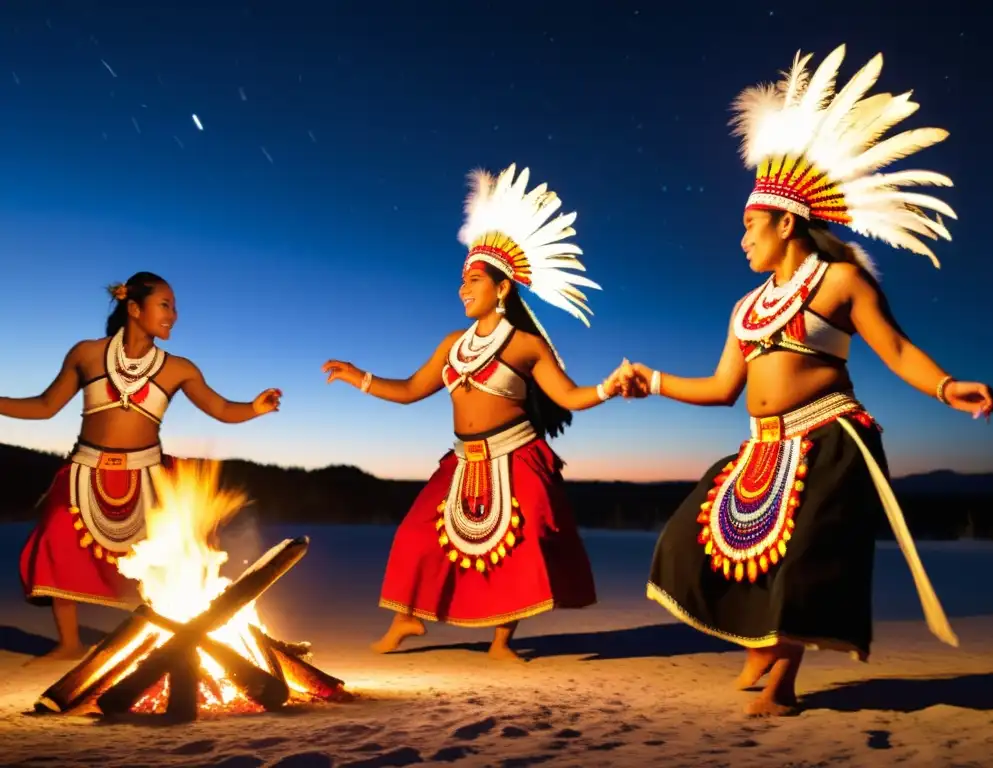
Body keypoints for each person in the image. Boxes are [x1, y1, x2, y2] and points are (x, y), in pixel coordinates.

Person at [628, 45, 993, 715]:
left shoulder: (841, 282)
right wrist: (651, 381)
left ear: (786, 222)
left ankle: (781, 682)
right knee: (690, 539)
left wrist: (947, 387)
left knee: (802, 562)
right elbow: (720, 390)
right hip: (762, 446)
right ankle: (759, 646)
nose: (741, 240)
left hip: (831, 439)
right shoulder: (744, 309)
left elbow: (895, 349)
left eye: (749, 226)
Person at [324, 164, 631, 661]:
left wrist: (609, 387)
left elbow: (569, 396)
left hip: (518, 456)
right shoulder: (453, 344)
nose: (463, 290)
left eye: (473, 281)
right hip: (462, 460)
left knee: (520, 546)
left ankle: (502, 640)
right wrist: (359, 376)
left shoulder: (526, 345)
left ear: (502, 288)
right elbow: (408, 390)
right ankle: (407, 618)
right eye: (461, 281)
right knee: (414, 534)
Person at [2, 272, 282, 661]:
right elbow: (45, 406)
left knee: (172, 552)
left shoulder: (178, 369)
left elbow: (220, 409)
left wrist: (255, 407)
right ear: (134, 308)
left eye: (174, 307)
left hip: (149, 475)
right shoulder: (86, 354)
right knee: (56, 538)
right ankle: (69, 643)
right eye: (165, 305)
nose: (174, 315)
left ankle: (172, 632)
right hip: (85, 471)